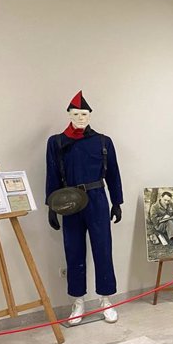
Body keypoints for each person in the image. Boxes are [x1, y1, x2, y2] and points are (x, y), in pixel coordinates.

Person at [45, 91, 123, 325]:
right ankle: (77, 302)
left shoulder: (102, 141)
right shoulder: (57, 142)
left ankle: (106, 300)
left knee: (103, 249)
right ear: (69, 114)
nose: (81, 117)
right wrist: (51, 205)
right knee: (74, 251)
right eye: (76, 113)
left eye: (84, 114)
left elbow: (113, 173)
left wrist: (117, 201)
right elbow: (52, 174)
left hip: (97, 199)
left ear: (90, 115)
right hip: (70, 201)